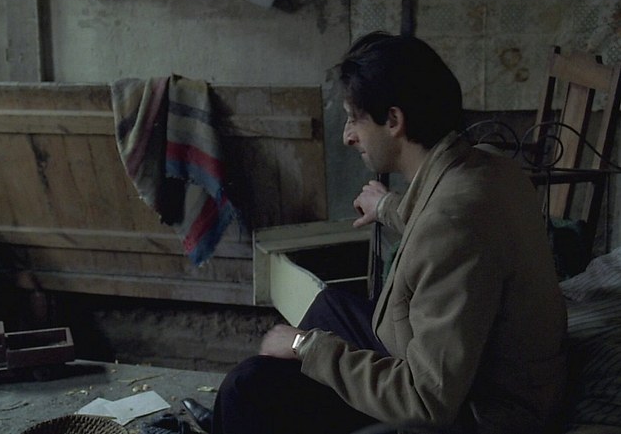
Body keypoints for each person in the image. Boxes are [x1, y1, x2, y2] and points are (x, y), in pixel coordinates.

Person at [190, 32, 569, 434]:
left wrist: (306, 347)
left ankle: (238, 416)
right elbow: (450, 228)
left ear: (393, 121)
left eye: (354, 119)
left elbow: (427, 401)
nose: (347, 136)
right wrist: (387, 207)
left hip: (479, 413)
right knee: (330, 305)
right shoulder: (487, 167)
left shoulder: (453, 223)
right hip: (479, 376)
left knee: (247, 387)